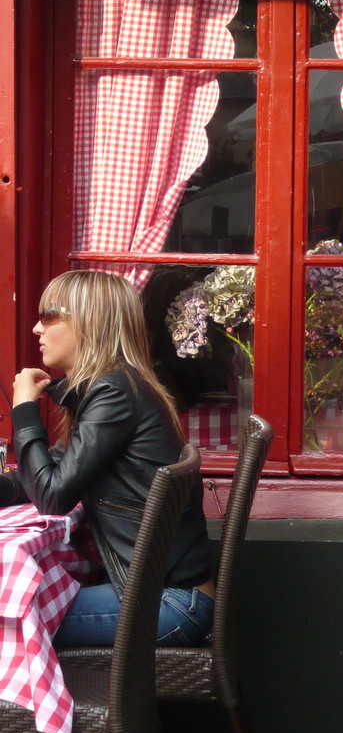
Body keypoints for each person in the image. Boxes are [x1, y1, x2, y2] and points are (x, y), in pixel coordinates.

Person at [3, 269, 215, 647]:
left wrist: (23, 410)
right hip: (163, 592)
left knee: (11, 617)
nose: (37, 328)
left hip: (170, 603)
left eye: (49, 317)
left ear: (88, 322)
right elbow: (49, 473)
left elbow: (52, 496)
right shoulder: (118, 384)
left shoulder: (114, 391)